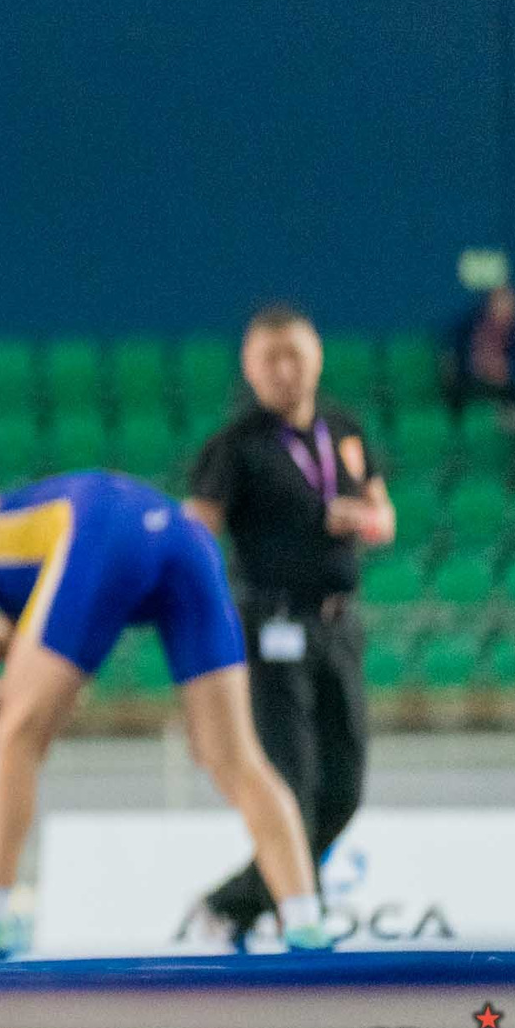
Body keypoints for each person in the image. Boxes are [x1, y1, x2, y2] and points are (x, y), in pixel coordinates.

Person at [0, 469, 332, 960]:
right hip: (181, 537)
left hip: (102, 526)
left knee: (15, 737)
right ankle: (305, 920)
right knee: (235, 758)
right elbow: (59, 690)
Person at [183, 305, 395, 948]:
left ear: (317, 357)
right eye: (269, 359)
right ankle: (293, 909)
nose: (284, 370)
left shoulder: (344, 428)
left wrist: (359, 520)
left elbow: (385, 519)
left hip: (338, 626)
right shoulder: (235, 446)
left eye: (294, 355)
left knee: (346, 788)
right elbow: (194, 538)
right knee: (291, 787)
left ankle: (238, 900)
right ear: (249, 368)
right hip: (271, 631)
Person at [447, 284, 515, 413]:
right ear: (490, 304)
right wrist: (481, 367)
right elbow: (460, 357)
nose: (506, 309)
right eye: (500, 303)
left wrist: (506, 370)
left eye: (509, 304)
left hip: (504, 387)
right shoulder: (471, 327)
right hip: (472, 382)